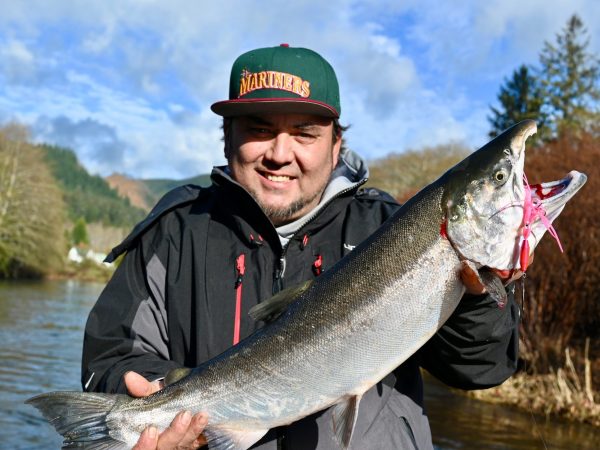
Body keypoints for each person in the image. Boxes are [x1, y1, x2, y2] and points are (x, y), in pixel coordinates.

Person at [82, 44, 521, 450]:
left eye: (305, 133)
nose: (280, 153)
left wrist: (477, 296)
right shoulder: (173, 233)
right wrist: (154, 404)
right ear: (227, 136)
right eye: (259, 129)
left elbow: (480, 369)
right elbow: (109, 357)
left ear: (336, 145)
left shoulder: (391, 229)